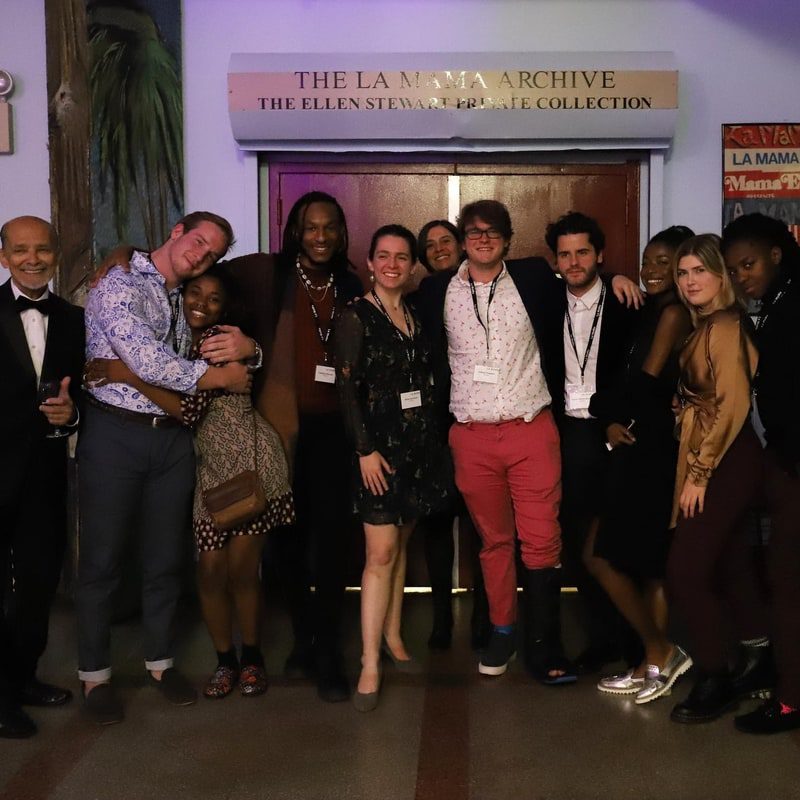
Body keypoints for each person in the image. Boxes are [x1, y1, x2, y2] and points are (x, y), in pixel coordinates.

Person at [103, 192, 362, 702]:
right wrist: (123, 255)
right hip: (277, 425)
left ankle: (328, 652)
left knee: (331, 545)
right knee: (285, 547)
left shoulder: (352, 282)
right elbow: (195, 269)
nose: (320, 236)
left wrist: (252, 350)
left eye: (330, 227)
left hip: (335, 430)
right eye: (310, 227)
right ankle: (304, 641)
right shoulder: (265, 271)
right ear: (294, 232)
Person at [414, 200, 641, 684]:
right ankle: (502, 631)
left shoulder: (535, 278)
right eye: (472, 231)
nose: (482, 238)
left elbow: (582, 277)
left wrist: (620, 278)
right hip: (470, 436)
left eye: (492, 230)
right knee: (494, 542)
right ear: (460, 239)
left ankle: (545, 643)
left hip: (531, 430)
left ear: (508, 239)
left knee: (542, 542)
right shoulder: (437, 290)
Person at [85, 265, 294, 700]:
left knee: (240, 570)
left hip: (249, 464)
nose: (201, 302)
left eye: (214, 297)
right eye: (194, 292)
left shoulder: (221, 342)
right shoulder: (174, 340)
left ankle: (252, 657)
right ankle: (225, 661)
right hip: (208, 470)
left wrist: (124, 373)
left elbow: (189, 410)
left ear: (226, 307)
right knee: (210, 570)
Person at [77, 212, 251, 725]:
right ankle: (95, 675)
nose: (202, 255)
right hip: (115, 434)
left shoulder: (187, 295)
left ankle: (159, 663)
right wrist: (219, 377)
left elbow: (225, 349)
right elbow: (151, 362)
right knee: (102, 563)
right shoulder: (119, 284)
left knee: (163, 560)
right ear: (177, 231)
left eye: (213, 252)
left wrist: (247, 358)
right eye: (198, 241)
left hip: (174, 440)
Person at [335, 224, 451, 711]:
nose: (392, 264)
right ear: (370, 261)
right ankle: (369, 661)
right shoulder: (356, 316)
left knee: (402, 540)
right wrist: (364, 450)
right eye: (383, 255)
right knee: (379, 553)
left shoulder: (417, 312)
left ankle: (394, 633)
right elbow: (345, 390)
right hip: (377, 454)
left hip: (418, 450)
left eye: (402, 257)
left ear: (412, 265)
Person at [584, 226, 695, 703]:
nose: (652, 271)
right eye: (647, 261)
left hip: (651, 450)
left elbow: (647, 387)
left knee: (601, 554)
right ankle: (652, 663)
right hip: (641, 441)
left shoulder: (672, 313)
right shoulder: (650, 308)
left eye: (663, 263)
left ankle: (660, 651)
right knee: (648, 563)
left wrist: (599, 409)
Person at [666, 233, 768, 724]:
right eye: (683, 273)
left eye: (699, 272)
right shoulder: (703, 325)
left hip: (725, 458)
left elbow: (733, 405)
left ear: (721, 276)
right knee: (729, 563)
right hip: (713, 452)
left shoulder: (725, 325)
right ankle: (761, 656)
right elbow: (707, 395)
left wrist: (700, 474)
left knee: (685, 571)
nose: (689, 281)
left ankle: (715, 675)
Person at [544, 212, 641, 675]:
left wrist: (617, 418)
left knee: (620, 541)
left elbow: (642, 372)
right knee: (574, 541)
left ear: (600, 255)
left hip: (615, 433)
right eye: (565, 253)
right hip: (566, 433)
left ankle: (638, 641)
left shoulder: (627, 302)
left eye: (583, 251)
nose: (574, 261)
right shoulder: (544, 299)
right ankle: (603, 638)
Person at [0, 217, 84, 739]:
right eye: (21, 250)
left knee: (39, 584)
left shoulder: (74, 319)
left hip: (47, 475)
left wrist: (70, 415)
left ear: (56, 253)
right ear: (4, 255)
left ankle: (23, 677)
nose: (33, 259)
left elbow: (83, 398)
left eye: (43, 249)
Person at [722, 213, 800, 734]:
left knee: (787, 580)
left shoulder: (793, 303)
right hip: (783, 457)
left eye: (748, 264)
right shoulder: (773, 303)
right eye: (733, 269)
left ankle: (792, 699)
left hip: (794, 461)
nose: (741, 276)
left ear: (776, 253)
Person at [414, 220, 489, 651]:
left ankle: (483, 616)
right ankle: (441, 619)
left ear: (461, 246)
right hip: (433, 429)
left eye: (446, 241)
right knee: (438, 525)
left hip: (476, 423)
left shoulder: (489, 284)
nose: (439, 249)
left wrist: (615, 278)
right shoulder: (422, 294)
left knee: (483, 528)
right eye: (430, 245)